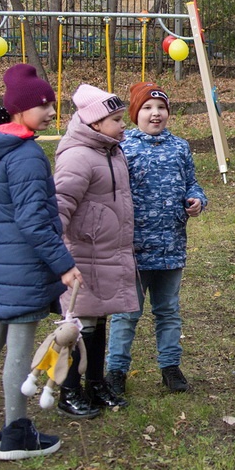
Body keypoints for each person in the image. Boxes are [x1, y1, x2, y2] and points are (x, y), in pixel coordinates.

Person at [0, 63, 81, 460]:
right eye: (43, 105)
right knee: (20, 348)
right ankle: (16, 433)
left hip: (1, 262)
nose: (50, 113)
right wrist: (63, 264)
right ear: (19, 108)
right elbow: (33, 220)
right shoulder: (25, 155)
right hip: (24, 265)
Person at [105, 83, 207, 395]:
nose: (155, 113)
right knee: (127, 314)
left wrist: (196, 198)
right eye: (147, 108)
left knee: (168, 311)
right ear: (135, 114)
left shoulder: (180, 147)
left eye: (161, 108)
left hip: (171, 246)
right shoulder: (122, 149)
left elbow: (192, 182)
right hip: (132, 249)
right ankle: (116, 371)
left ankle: (170, 368)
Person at [53, 84, 139, 416]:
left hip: (107, 252)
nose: (123, 125)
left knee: (99, 320)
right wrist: (57, 257)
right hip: (82, 255)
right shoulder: (78, 156)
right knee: (79, 325)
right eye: (116, 119)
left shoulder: (110, 150)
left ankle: (95, 384)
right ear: (94, 123)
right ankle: (69, 390)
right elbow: (59, 207)